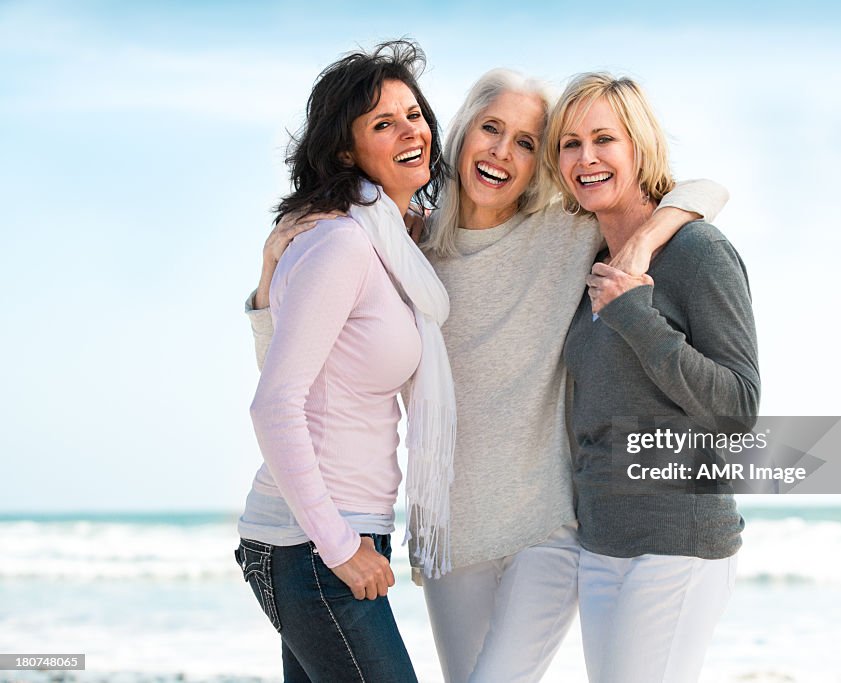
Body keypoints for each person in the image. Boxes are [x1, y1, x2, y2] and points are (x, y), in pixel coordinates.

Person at [249, 67, 729, 683]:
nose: (503, 151)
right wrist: (270, 270)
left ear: (539, 164)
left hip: (547, 527)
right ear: (462, 133)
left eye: (527, 142)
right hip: (450, 535)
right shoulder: (405, 251)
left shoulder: (567, 233)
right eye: (492, 129)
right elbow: (293, 383)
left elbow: (704, 189)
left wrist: (647, 239)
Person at [236, 40, 455, 683]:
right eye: (383, 124)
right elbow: (275, 402)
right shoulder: (342, 242)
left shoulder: (391, 244)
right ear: (344, 151)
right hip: (311, 543)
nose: (410, 131)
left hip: (336, 534)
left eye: (413, 113)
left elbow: (293, 369)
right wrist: (339, 547)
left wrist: (267, 280)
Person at [545, 72, 759, 683]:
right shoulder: (588, 259)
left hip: (678, 541)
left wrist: (636, 315)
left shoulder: (697, 251)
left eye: (604, 139)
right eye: (569, 143)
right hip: (603, 542)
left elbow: (739, 406)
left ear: (639, 146)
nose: (586, 158)